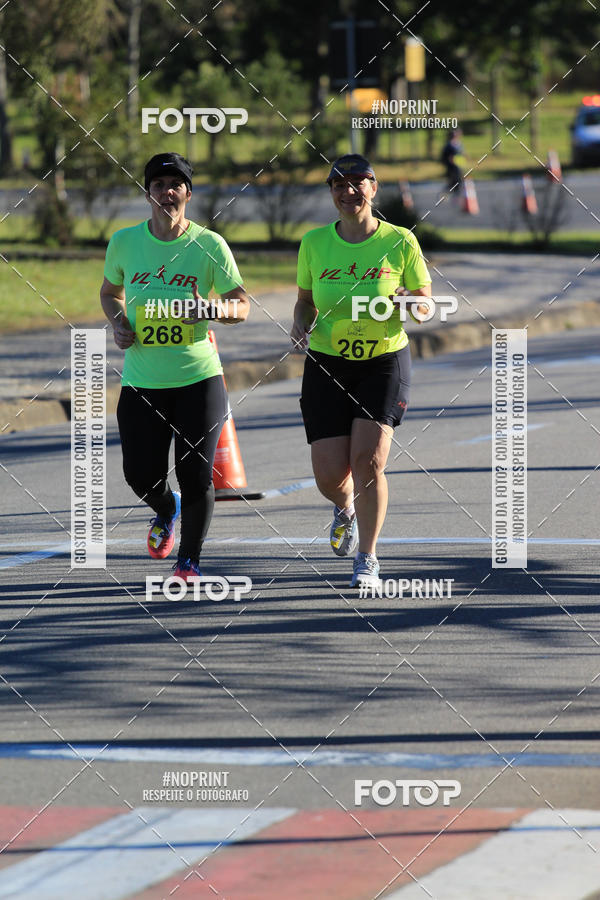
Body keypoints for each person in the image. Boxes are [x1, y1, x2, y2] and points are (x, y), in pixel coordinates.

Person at [100, 152, 249, 581]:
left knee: (196, 472)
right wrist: (118, 321)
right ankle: (166, 508)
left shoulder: (209, 245)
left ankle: (188, 562)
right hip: (142, 380)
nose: (168, 191)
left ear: (188, 192)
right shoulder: (125, 242)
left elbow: (242, 306)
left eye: (176, 184)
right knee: (139, 474)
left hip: (197, 377)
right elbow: (110, 292)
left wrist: (209, 307)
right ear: (148, 191)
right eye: (159, 183)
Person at [291, 154, 431, 589]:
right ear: (331, 192)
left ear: (373, 188)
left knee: (368, 461)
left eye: (358, 182)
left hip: (383, 360)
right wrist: (299, 322)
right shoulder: (314, 243)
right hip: (327, 362)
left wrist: (409, 302)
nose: (348, 190)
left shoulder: (400, 240)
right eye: (339, 183)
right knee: (329, 474)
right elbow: (304, 299)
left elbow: (426, 304)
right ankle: (344, 504)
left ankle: (367, 559)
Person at [441, 128, 465, 193]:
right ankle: (446, 194)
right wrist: (450, 160)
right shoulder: (448, 146)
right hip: (451, 168)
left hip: (459, 167)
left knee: (459, 182)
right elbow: (444, 157)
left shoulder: (459, 144)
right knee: (452, 183)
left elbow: (462, 155)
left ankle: (456, 194)